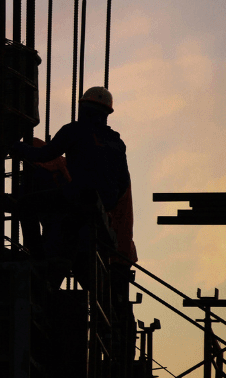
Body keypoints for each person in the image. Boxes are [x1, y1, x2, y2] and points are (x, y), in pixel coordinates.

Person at [10, 86, 138, 355]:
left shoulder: (74, 130)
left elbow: (45, 155)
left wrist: (13, 147)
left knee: (25, 205)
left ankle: (37, 255)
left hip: (77, 197)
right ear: (107, 114)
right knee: (71, 245)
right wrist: (108, 205)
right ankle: (118, 339)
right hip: (99, 209)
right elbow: (123, 180)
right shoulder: (117, 142)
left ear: (83, 109)